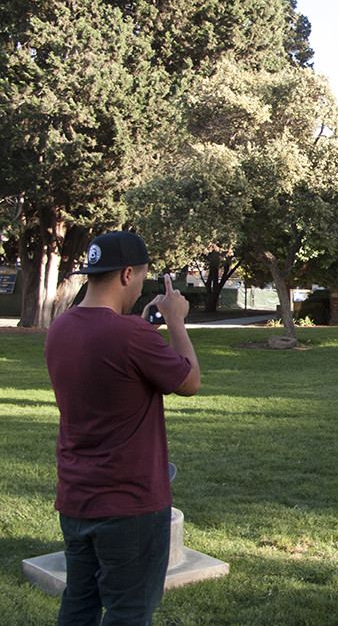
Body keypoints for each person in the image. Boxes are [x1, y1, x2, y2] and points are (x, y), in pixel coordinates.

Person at [44, 231, 201, 625]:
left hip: (77, 498)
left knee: (78, 603)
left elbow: (112, 357)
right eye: (143, 277)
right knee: (128, 612)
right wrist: (175, 321)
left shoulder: (60, 329)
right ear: (127, 274)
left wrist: (146, 326)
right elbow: (189, 382)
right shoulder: (132, 335)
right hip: (130, 505)